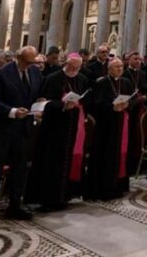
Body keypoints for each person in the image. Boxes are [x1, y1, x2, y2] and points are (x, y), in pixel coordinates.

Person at [0, 46, 43, 228]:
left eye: (32, 62)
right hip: (1, 130)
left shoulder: (35, 73)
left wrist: (39, 105)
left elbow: (36, 95)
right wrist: (13, 111)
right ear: (18, 57)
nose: (30, 65)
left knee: (19, 170)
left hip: (23, 130)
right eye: (27, 62)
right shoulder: (3, 74)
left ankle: (15, 206)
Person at [26, 53, 90, 211]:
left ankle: (66, 195)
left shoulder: (81, 79)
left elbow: (85, 100)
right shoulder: (52, 78)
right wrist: (61, 105)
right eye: (71, 67)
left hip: (73, 126)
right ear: (65, 64)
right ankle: (49, 198)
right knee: (52, 163)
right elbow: (43, 104)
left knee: (69, 161)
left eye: (77, 67)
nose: (74, 70)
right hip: (54, 129)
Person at [85, 58, 135, 200]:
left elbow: (133, 99)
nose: (119, 69)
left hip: (122, 124)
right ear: (109, 69)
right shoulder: (101, 83)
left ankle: (119, 186)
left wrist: (127, 105)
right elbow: (95, 105)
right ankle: (104, 188)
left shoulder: (125, 82)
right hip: (106, 127)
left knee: (121, 153)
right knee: (106, 156)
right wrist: (111, 107)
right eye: (116, 67)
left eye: (121, 66)